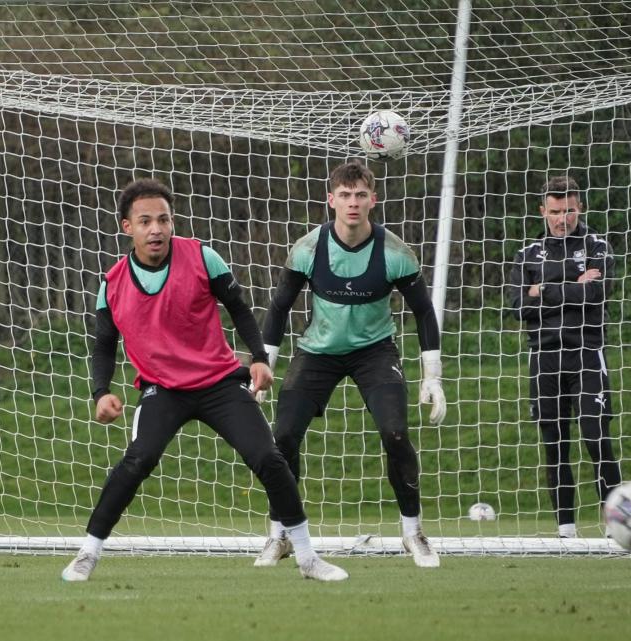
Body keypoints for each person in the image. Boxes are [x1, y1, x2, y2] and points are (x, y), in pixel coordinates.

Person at [61, 178, 348, 582]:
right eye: (145, 221)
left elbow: (240, 309)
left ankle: (306, 557)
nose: (157, 229)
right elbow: (104, 345)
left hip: (219, 384)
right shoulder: (112, 283)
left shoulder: (202, 257)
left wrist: (260, 360)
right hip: (163, 390)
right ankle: (88, 553)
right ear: (127, 227)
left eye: (164, 219)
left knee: (269, 457)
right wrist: (101, 392)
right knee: (138, 460)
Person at [252, 161, 446, 569]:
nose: (352, 203)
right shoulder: (308, 248)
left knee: (395, 433)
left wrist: (433, 376)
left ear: (373, 200)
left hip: (374, 352)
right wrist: (263, 364)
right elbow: (279, 307)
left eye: (360, 195)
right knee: (283, 437)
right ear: (331, 200)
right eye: (345, 195)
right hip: (318, 352)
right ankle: (279, 535)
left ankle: (413, 532)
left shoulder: (395, 252)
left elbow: (424, 313)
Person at [506, 175, 622, 538]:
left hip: (586, 353)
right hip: (544, 356)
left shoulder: (597, 246)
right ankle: (566, 531)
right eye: (556, 211)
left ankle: (618, 525)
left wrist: (543, 289)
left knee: (595, 435)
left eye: (569, 210)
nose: (563, 218)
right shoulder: (527, 254)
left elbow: (597, 294)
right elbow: (518, 306)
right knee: (555, 443)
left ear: (580, 208)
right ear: (543, 211)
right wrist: (573, 284)